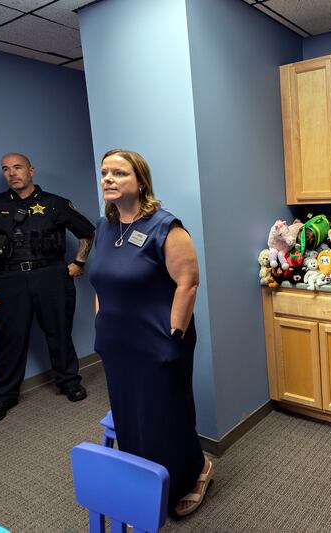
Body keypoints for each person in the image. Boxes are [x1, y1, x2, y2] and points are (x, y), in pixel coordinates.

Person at [88, 149, 212, 517]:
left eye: (119, 173)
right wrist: (101, 324)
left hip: (159, 342)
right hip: (117, 343)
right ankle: (145, 481)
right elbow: (101, 283)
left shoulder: (165, 227)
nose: (109, 179)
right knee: (130, 414)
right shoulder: (104, 227)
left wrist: (173, 335)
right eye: (105, 172)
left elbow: (187, 283)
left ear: (140, 181)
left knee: (165, 415)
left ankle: (193, 474)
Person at [0, 153, 95, 425]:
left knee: (59, 332)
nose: (12, 173)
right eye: (6, 169)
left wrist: (78, 262)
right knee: (11, 339)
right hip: (8, 281)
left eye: (18, 167)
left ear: (31, 170)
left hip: (51, 276)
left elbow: (86, 232)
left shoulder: (55, 204)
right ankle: (4, 396)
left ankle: (69, 382)